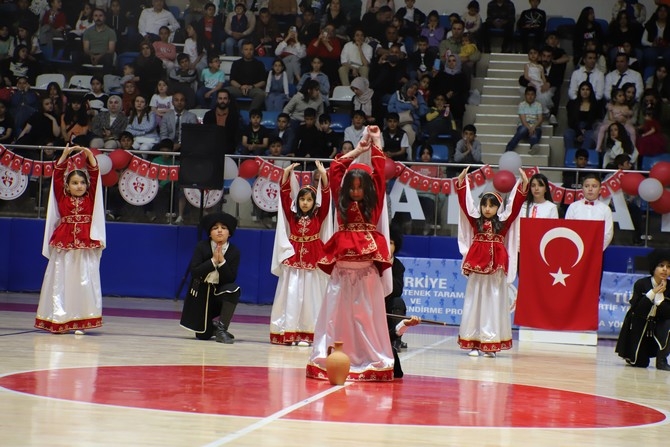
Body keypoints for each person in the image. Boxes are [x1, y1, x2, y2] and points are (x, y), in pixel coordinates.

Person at [307, 126, 396, 382]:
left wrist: (377, 141)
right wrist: (358, 149)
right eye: (352, 187)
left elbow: (379, 174)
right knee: (335, 319)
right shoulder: (341, 204)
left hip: (366, 275)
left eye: (360, 188)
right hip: (341, 274)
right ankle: (330, 359)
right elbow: (335, 169)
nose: (356, 192)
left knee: (366, 319)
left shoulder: (375, 205)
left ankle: (370, 360)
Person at [456, 165, 528, 356]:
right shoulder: (475, 221)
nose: (487, 209)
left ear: (498, 207)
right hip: (477, 265)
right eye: (484, 205)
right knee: (475, 301)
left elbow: (515, 205)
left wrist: (523, 184)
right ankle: (473, 341)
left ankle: (490, 343)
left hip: (496, 267)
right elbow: (465, 203)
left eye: (492, 206)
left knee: (494, 302)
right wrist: (463, 183)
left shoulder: (503, 223)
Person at [35, 145, 105, 334]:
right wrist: (64, 155)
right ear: (67, 186)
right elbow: (57, 176)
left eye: (82, 183)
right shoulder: (62, 197)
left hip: (84, 245)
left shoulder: (90, 198)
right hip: (64, 244)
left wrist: (90, 157)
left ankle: (81, 320)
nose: (79, 186)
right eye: (74, 183)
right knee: (61, 280)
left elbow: (95, 175)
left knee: (84, 281)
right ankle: (61, 318)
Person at [270, 161, 331, 345]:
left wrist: (324, 176)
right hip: (294, 256)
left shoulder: (319, 215)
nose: (305, 203)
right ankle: (290, 332)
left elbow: (327, 198)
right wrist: (286, 175)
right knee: (292, 293)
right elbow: (284, 195)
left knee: (311, 297)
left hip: (313, 256)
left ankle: (307, 334)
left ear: (314, 202)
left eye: (309, 199)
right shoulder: (292, 215)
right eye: (302, 199)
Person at [179, 212, 241, 343]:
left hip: (218, 293)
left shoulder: (234, 251)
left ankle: (221, 330)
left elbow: (230, 278)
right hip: (201, 293)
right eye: (215, 228)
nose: (219, 231)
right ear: (209, 233)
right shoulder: (201, 247)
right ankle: (212, 327)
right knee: (203, 335)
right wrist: (213, 261)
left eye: (223, 228)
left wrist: (222, 262)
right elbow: (195, 272)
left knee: (233, 289)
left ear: (229, 233)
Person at [616, 248, 670, 371]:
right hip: (640, 325)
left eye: (668, 267)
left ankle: (662, 359)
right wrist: (653, 292)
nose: (665, 270)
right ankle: (633, 354)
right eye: (661, 265)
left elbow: (666, 313)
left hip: (658, 326)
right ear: (653, 267)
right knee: (641, 363)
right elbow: (638, 310)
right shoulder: (641, 284)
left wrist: (660, 297)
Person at [565, 173, 614, 250]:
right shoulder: (573, 207)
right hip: (576, 249)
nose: (590, 189)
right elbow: (568, 229)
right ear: (582, 189)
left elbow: (607, 234)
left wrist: (597, 250)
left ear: (600, 190)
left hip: (597, 251)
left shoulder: (605, 209)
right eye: (587, 186)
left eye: (594, 186)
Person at [228, 41, 267, 111]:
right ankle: (236, 112)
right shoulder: (236, 63)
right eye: (246, 49)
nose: (249, 52)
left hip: (253, 88)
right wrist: (240, 87)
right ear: (242, 51)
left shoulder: (259, 64)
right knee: (224, 92)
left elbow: (263, 81)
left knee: (261, 94)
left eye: (251, 49)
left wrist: (251, 86)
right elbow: (232, 80)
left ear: (253, 50)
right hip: (238, 88)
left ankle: (251, 114)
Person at [505, 85, 543, 154]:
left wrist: (533, 127)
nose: (530, 96)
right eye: (528, 94)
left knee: (534, 134)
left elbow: (540, 119)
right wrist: (530, 128)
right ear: (525, 95)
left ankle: (533, 148)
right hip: (524, 126)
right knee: (523, 130)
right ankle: (509, 149)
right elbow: (523, 121)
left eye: (532, 94)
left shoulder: (538, 105)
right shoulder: (522, 105)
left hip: (535, 126)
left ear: (535, 96)